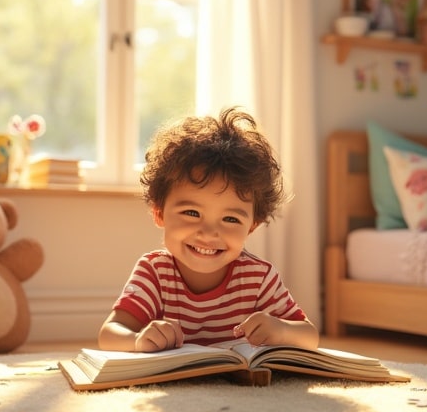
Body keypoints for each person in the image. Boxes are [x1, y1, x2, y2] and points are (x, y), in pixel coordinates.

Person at [98, 107, 319, 353]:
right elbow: (110, 334)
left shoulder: (259, 278)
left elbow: (310, 336)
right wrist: (137, 340)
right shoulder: (155, 272)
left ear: (251, 227)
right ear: (159, 213)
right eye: (192, 213)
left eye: (230, 219)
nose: (209, 233)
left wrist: (282, 330)